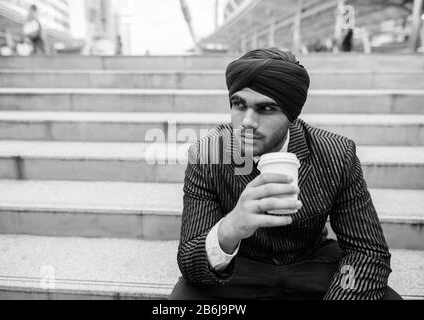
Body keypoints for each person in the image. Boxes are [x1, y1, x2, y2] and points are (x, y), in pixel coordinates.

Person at [170, 47, 402, 300]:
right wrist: (230, 227)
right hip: (240, 267)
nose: (247, 121)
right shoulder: (207, 154)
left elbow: (367, 251)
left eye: (266, 108)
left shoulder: (336, 153)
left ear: (292, 114)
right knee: (184, 297)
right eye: (239, 104)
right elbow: (190, 261)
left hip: (311, 264)